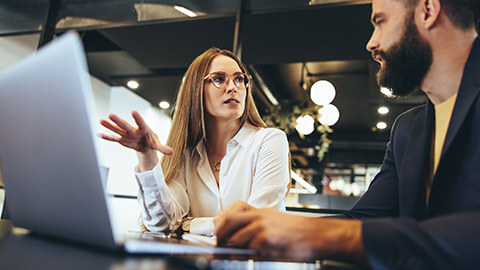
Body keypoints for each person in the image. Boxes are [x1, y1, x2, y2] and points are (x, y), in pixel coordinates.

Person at [213, 0, 480, 268]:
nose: (371, 43)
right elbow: (364, 220)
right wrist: (272, 225)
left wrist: (324, 235)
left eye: (380, 22)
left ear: (428, 10)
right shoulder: (407, 130)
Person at [100, 48, 290, 236]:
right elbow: (161, 223)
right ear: (196, 90)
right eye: (219, 79)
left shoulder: (270, 141)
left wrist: (191, 225)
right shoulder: (186, 154)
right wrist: (147, 156)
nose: (233, 87)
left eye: (239, 79)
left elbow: (258, 223)